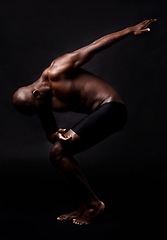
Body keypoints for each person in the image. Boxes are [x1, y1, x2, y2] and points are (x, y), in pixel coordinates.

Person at [12, 19, 156, 225]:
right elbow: (50, 133)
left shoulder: (57, 70)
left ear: (35, 93)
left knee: (58, 152)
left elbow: (94, 47)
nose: (40, 111)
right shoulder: (40, 103)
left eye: (38, 106)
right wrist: (57, 134)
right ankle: (83, 205)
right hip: (100, 114)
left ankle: (93, 205)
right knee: (58, 154)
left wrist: (129, 30)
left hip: (112, 107)